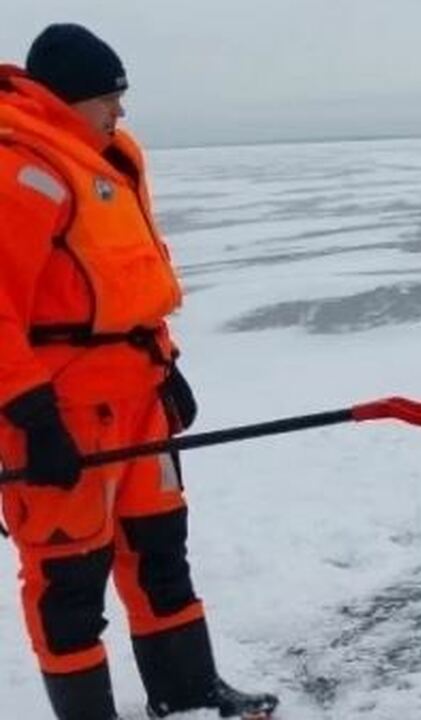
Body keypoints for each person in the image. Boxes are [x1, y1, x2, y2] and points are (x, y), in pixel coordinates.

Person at [0, 24, 278, 720]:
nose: (119, 114)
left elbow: (126, 281)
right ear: (66, 99)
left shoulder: (104, 159)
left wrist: (167, 367)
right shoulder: (19, 167)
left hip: (137, 400)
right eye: (108, 99)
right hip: (57, 414)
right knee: (68, 581)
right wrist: (28, 417)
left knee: (160, 552)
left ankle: (186, 693)